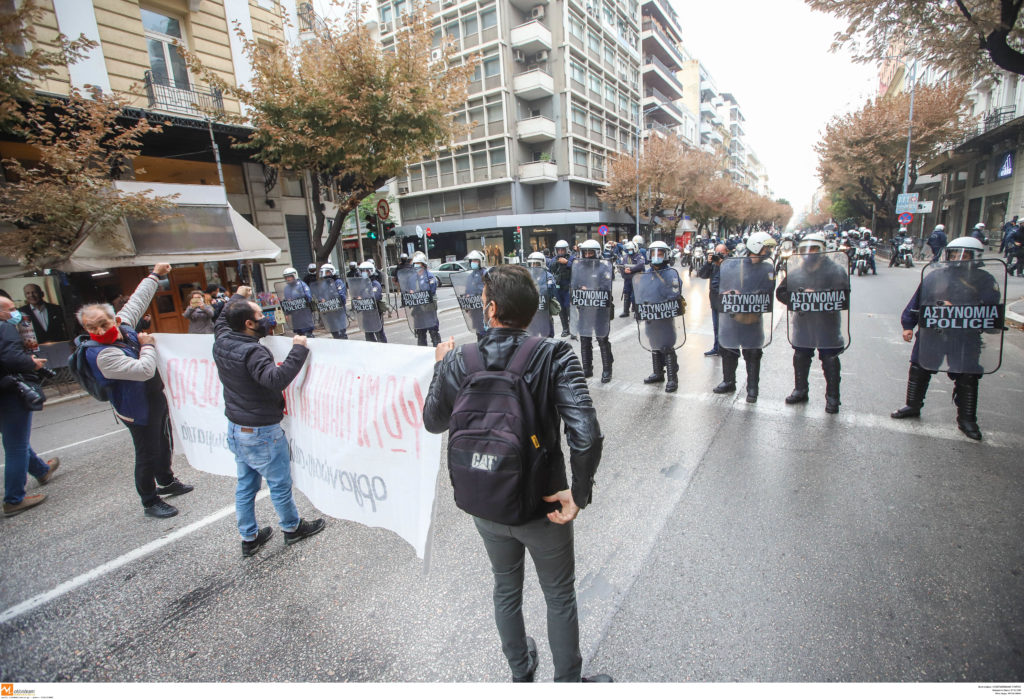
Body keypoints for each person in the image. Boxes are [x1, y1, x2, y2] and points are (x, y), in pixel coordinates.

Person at [422, 265, 610, 683]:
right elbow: (586, 434)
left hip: (485, 500)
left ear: (489, 309)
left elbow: (433, 421)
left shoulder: (458, 359)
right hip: (543, 505)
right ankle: (568, 683)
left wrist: (440, 366)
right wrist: (578, 493)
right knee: (559, 595)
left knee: (505, 588)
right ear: (531, 310)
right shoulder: (554, 353)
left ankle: (521, 674)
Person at [213, 287, 326, 556]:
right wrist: (298, 350)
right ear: (249, 324)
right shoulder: (253, 352)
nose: (267, 318)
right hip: (261, 431)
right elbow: (275, 380)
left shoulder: (222, 340)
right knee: (279, 484)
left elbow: (221, 320)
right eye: (259, 315)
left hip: (237, 428)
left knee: (246, 486)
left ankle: (249, 538)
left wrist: (237, 298)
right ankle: (292, 528)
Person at [76, 263, 194, 518]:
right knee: (147, 453)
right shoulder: (101, 355)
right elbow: (143, 370)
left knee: (163, 441)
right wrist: (148, 345)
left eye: (103, 323)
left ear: (114, 319)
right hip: (135, 409)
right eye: (91, 328)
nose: (99, 331)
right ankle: (150, 501)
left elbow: (138, 300)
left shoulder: (124, 325)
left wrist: (155, 275)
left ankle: (166, 480)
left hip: (153, 399)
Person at [890, 237, 1002, 440]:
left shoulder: (984, 280)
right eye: (954, 254)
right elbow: (918, 301)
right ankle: (913, 406)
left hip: (964, 336)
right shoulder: (934, 276)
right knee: (919, 367)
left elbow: (991, 309)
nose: (958, 259)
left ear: (975, 257)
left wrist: (960, 309)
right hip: (933, 332)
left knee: (967, 374)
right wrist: (908, 325)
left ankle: (967, 419)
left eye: (965, 255)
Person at [776, 233, 848, 414]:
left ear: (822, 250)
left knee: (830, 359)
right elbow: (781, 293)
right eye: (806, 249)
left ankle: (833, 398)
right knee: (801, 356)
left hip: (827, 324)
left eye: (814, 249)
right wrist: (798, 298)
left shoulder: (836, 271)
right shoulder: (795, 273)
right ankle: (800, 390)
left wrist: (817, 294)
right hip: (803, 323)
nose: (810, 253)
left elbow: (843, 295)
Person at [1, 296, 59, 516]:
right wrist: (32, 363)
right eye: (11, 309)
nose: (15, 312)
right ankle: (14, 498)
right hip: (9, 391)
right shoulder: (4, 329)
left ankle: (41, 470)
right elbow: (12, 358)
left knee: (14, 438)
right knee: (16, 444)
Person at [713, 232, 776, 402]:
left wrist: (752, 295)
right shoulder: (732, 265)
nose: (768, 251)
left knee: (753, 352)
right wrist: (726, 293)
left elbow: (769, 291)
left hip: (752, 318)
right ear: (756, 246)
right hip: (732, 317)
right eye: (765, 248)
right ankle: (728, 381)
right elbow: (717, 285)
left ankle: (752, 389)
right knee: (728, 349)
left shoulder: (767, 268)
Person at [639, 241, 684, 393]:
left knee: (666, 344)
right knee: (653, 343)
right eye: (653, 253)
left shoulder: (671, 273)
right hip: (651, 315)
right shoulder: (646, 273)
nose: (656, 256)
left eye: (659, 253)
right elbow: (641, 291)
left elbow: (675, 293)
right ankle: (658, 373)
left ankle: (672, 378)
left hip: (664, 316)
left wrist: (664, 301)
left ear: (665, 255)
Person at [573, 240, 614, 383]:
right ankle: (586, 368)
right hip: (585, 308)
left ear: (597, 253)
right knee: (585, 338)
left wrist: (591, 289)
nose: (588, 255)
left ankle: (607, 369)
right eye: (586, 252)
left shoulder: (604, 267)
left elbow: (606, 285)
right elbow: (575, 284)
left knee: (602, 338)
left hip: (601, 309)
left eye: (591, 252)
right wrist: (579, 289)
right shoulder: (579, 268)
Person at [401, 252, 442, 347]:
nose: (416, 266)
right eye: (415, 264)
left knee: (433, 332)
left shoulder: (430, 277)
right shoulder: (412, 278)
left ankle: (438, 353)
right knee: (420, 335)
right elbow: (408, 290)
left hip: (428, 309)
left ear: (423, 264)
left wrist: (417, 292)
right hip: (418, 310)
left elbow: (431, 290)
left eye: (418, 263)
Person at [697, 244, 729, 356]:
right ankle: (717, 348)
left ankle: (727, 349)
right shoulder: (713, 264)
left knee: (726, 327)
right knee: (716, 326)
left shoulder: (730, 263)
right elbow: (702, 274)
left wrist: (723, 264)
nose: (719, 255)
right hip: (715, 301)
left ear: (727, 253)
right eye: (717, 252)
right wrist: (708, 263)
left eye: (722, 253)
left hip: (727, 302)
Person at [355, 260, 388, 343]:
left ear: (371, 271)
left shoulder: (375, 284)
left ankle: (384, 348)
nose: (364, 273)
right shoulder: (362, 284)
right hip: (365, 312)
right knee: (368, 333)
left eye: (366, 271)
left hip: (375, 312)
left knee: (379, 332)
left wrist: (363, 297)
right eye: (362, 271)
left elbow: (375, 296)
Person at [548, 240, 574, 337]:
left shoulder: (572, 258)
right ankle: (565, 329)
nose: (560, 252)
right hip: (558, 289)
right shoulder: (553, 259)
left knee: (569, 309)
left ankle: (573, 330)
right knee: (561, 309)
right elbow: (549, 270)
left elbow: (577, 267)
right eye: (558, 250)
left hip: (568, 287)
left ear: (566, 250)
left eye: (562, 250)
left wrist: (567, 262)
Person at [316, 263, 348, 339]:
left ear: (332, 271)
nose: (324, 274)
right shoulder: (324, 284)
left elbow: (342, 296)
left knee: (341, 331)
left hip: (338, 311)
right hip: (329, 311)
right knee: (334, 331)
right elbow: (320, 295)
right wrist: (321, 300)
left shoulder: (338, 282)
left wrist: (332, 298)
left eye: (326, 272)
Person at [280, 267, 315, 337]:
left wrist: (297, 299)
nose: (288, 279)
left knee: (307, 335)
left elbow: (308, 298)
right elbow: (286, 301)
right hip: (295, 316)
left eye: (289, 277)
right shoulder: (286, 288)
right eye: (286, 277)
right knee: (299, 335)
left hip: (304, 314)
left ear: (294, 276)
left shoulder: (302, 285)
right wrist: (286, 312)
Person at [618, 242, 646, 318]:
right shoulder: (625, 257)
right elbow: (621, 266)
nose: (629, 251)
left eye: (631, 249)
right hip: (627, 280)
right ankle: (626, 311)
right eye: (628, 249)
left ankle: (637, 312)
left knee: (635, 295)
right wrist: (624, 270)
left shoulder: (639, 256)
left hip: (637, 279)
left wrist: (631, 269)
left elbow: (641, 265)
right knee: (626, 294)